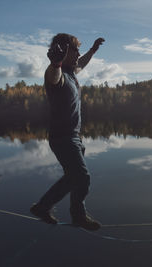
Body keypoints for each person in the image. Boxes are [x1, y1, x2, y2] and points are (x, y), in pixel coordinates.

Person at [30, 33, 105, 231]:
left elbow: (82, 63)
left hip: (74, 137)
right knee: (81, 177)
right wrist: (55, 64)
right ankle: (45, 207)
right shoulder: (56, 73)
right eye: (75, 49)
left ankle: (71, 213)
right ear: (63, 51)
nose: (78, 53)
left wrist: (92, 50)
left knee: (74, 177)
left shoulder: (72, 72)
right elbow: (53, 77)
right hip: (63, 137)